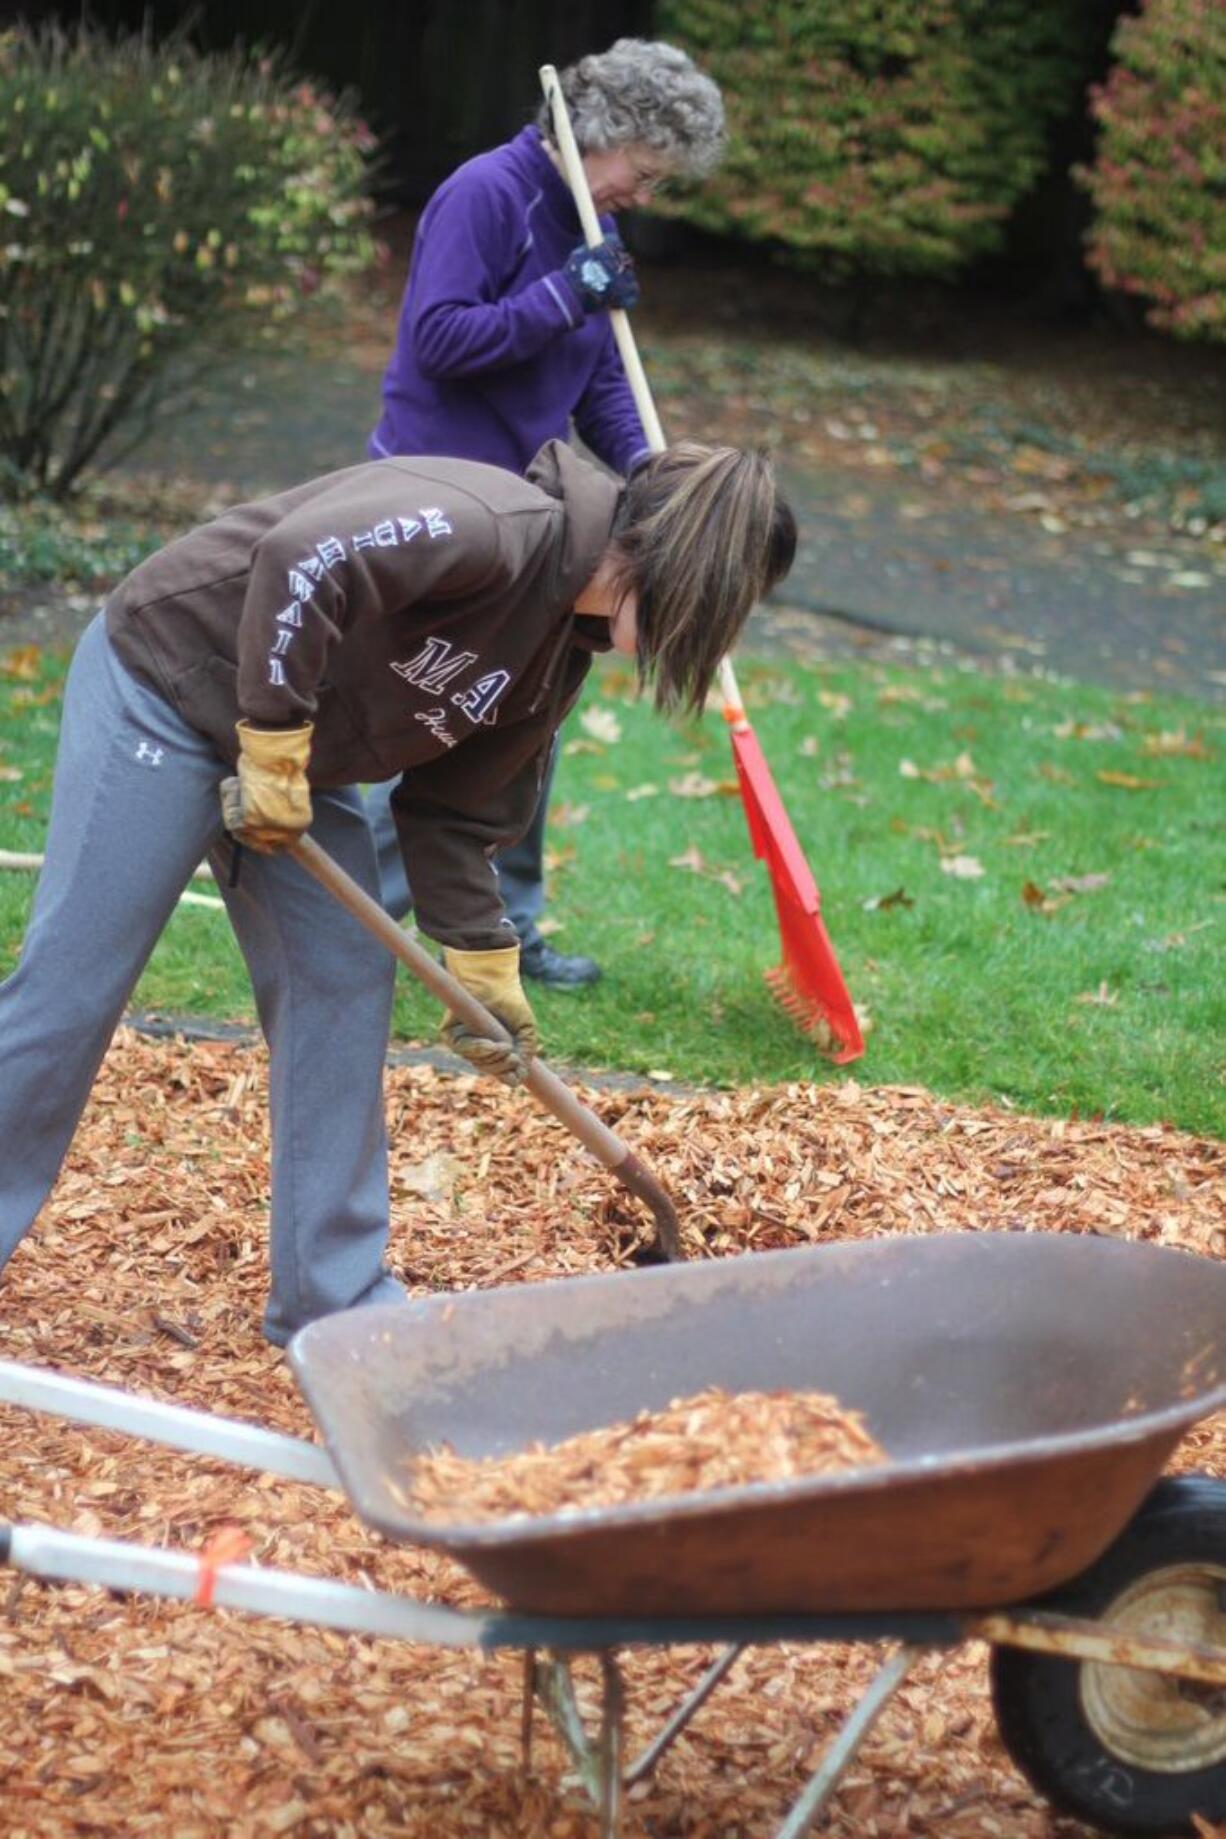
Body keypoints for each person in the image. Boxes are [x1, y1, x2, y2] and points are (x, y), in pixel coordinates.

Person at [0, 439, 796, 1346]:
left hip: (295, 756)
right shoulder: (490, 528)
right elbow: (302, 557)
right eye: (730, 610)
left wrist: (483, 960)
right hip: (171, 686)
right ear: (685, 567)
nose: (724, 639)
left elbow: (455, 814)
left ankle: (331, 1302)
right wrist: (268, 741)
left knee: (342, 981)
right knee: (73, 986)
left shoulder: (552, 658)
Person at [366, 37, 726, 988]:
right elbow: (439, 341)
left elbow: (603, 377)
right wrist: (567, 292)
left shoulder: (591, 226)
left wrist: (657, 477)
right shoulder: (487, 194)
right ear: (600, 134)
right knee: (426, 709)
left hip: (540, 515)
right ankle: (345, 915)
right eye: (643, 173)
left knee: (529, 721)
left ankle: (505, 928)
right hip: (437, 499)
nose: (643, 196)